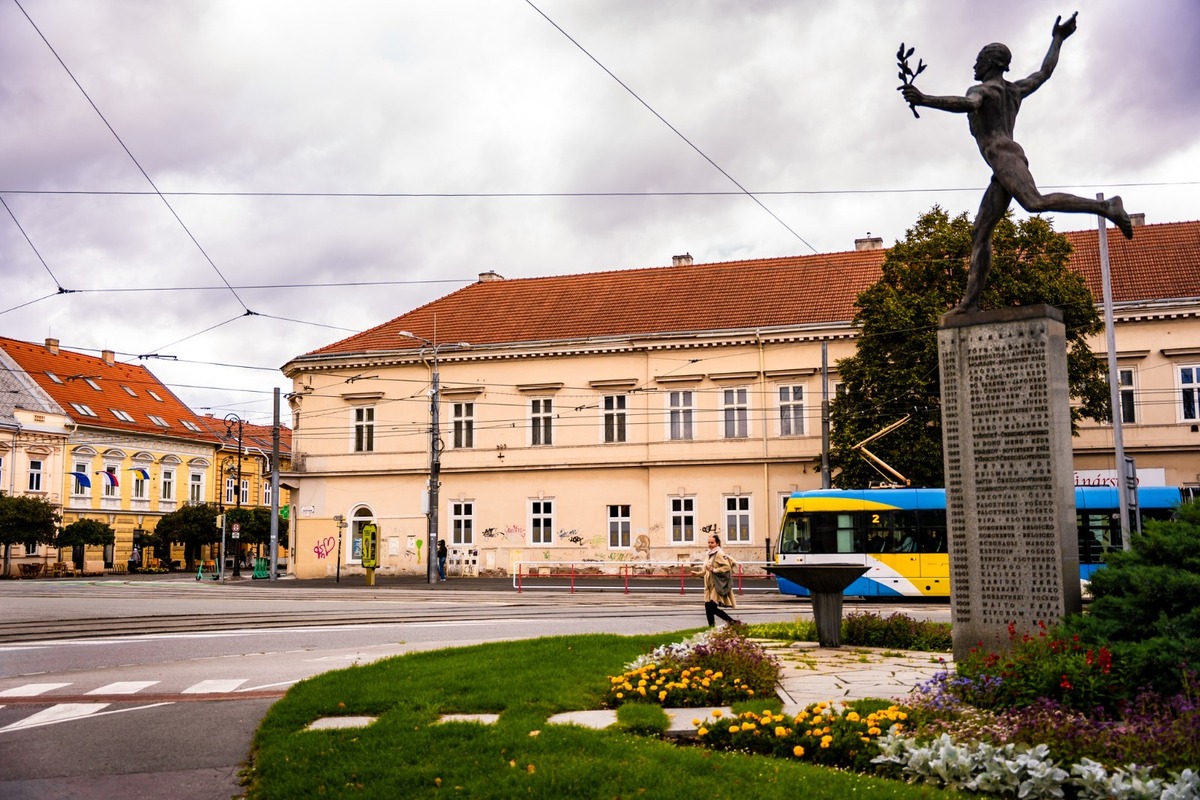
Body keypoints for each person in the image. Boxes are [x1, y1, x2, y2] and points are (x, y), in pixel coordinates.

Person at [899, 12, 1133, 315]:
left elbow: (967, 104)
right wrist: (1058, 39)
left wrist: (924, 99)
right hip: (1003, 164)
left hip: (1004, 157)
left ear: (992, 63)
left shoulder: (982, 91)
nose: (974, 65)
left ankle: (1106, 207)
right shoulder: (1013, 89)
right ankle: (970, 303)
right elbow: (1043, 73)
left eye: (979, 60)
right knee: (980, 232)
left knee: (1034, 202)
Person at [701, 534, 740, 627]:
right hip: (708, 585)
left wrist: (714, 570)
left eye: (712, 542)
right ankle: (711, 627)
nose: (710, 544)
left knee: (712, 607)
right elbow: (705, 569)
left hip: (716, 583)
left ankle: (731, 622)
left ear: (717, 543)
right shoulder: (709, 554)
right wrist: (697, 573)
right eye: (709, 542)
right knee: (707, 606)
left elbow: (727, 567)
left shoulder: (719, 554)